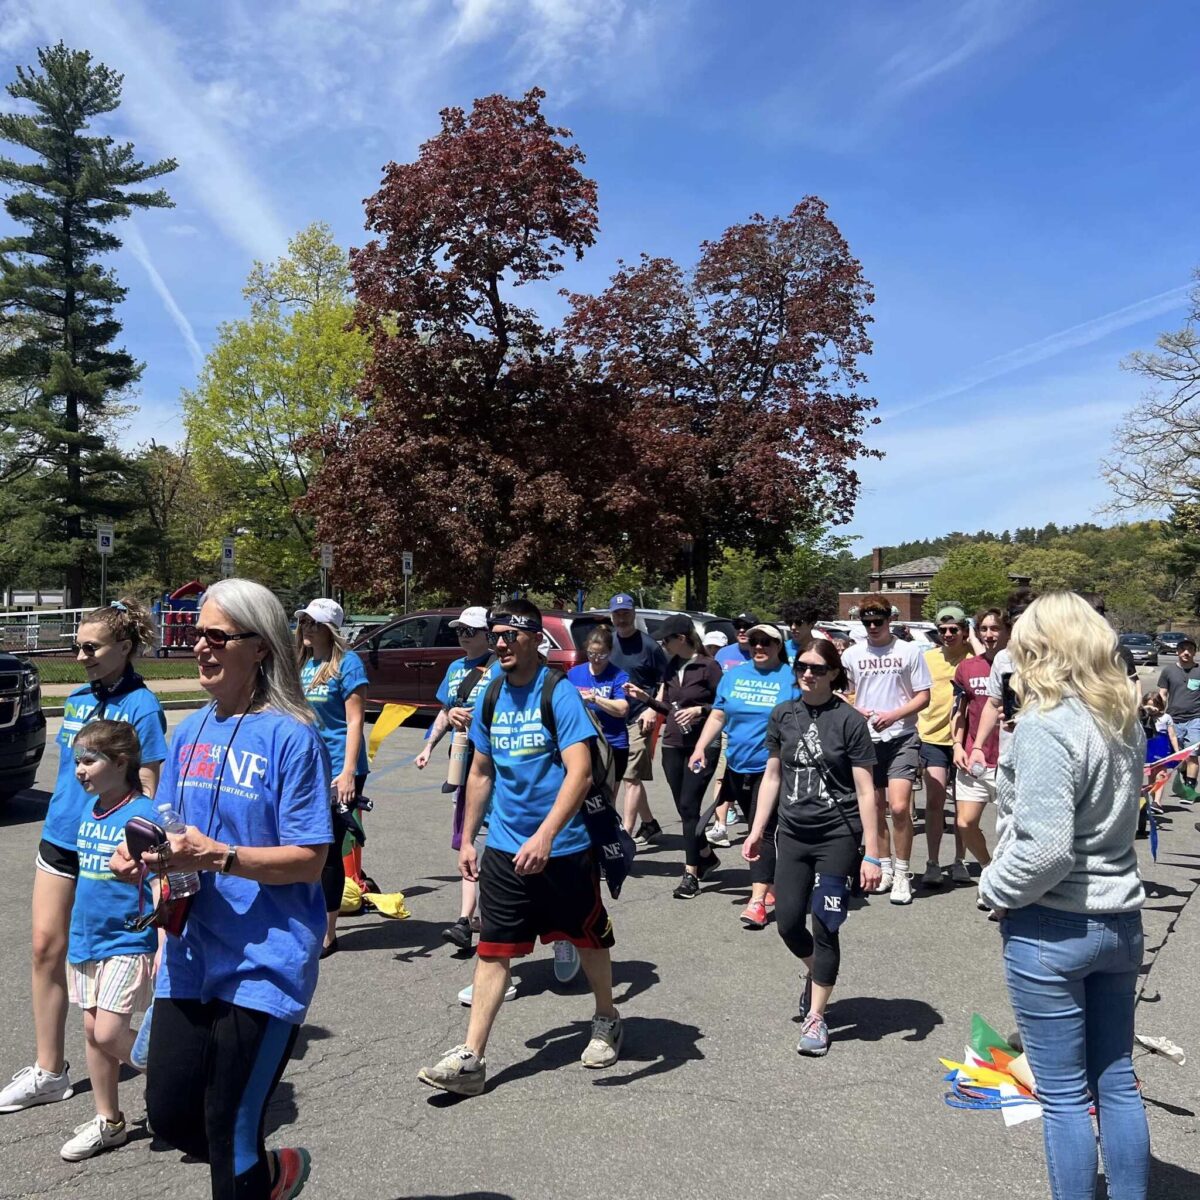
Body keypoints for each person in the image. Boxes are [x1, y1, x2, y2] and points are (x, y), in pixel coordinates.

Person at [112, 577, 332, 1200]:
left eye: (216, 636)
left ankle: (251, 1175)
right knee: (175, 1117)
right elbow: (169, 829)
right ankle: (274, 1176)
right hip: (191, 952)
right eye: (194, 635)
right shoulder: (191, 732)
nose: (200, 648)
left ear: (259, 648)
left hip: (266, 961)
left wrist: (219, 856)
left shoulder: (291, 736)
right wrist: (144, 858)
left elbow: (309, 861)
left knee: (230, 1131)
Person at [979, 592, 1148, 1200]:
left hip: (1055, 925)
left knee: (1065, 1097)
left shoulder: (1049, 726)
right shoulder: (1122, 718)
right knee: (1117, 1081)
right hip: (1121, 918)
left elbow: (1045, 850)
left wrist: (991, 887)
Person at [418, 600, 621, 1096]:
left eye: (510, 634)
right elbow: (482, 772)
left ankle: (606, 1017)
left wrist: (548, 834)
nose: (501, 642)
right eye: (496, 635)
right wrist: (468, 838)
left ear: (535, 639)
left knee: (587, 936)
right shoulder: (490, 697)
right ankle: (472, 1058)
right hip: (506, 848)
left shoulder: (559, 693)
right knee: (493, 950)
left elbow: (581, 771)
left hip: (565, 848)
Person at [0, 598, 167, 1115]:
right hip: (60, 838)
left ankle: (153, 1052)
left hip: (108, 852)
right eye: (78, 647)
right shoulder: (75, 699)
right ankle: (50, 1070)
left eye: (91, 648)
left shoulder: (142, 705)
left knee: (108, 956)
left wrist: (137, 845)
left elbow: (148, 782)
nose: (81, 657)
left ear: (125, 647)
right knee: (46, 949)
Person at [744, 639, 881, 1056]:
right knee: (786, 923)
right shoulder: (783, 714)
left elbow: (865, 791)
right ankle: (816, 972)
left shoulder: (850, 721)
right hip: (793, 834)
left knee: (825, 924)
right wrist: (756, 830)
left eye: (818, 669)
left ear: (834, 674)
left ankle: (817, 1017)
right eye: (802, 666)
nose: (807, 674)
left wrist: (873, 853)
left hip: (837, 836)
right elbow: (772, 776)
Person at [57, 721, 161, 1161]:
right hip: (86, 939)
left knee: (109, 1030)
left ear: (120, 763)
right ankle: (110, 1121)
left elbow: (164, 882)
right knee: (91, 1030)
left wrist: (164, 940)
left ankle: (178, 1072)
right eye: (77, 760)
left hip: (127, 937)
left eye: (88, 761)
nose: (79, 770)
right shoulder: (90, 809)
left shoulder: (145, 816)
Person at [690, 624, 796, 928]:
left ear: (779, 646)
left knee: (761, 831)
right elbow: (719, 714)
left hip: (772, 767)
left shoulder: (789, 679)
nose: (759, 647)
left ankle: (757, 901)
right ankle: (774, 883)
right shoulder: (735, 675)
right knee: (703, 828)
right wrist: (700, 748)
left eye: (767, 642)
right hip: (736, 765)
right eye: (754, 641)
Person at [415, 606, 500, 952]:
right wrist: (429, 746)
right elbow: (444, 711)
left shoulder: (499, 668)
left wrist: (476, 715)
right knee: (469, 839)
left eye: (470, 631)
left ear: (487, 635)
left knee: (496, 841)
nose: (463, 636)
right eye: (460, 631)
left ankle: (498, 914)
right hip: (462, 763)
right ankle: (465, 919)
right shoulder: (453, 668)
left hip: (496, 765)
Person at [840, 595, 931, 906]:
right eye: (867, 622)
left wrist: (894, 715)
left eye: (879, 621)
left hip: (902, 736)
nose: (873, 626)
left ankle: (904, 873)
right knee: (875, 808)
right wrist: (859, 711)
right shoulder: (852, 654)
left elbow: (923, 696)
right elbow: (843, 693)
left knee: (900, 806)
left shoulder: (908, 651)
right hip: (866, 739)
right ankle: (885, 868)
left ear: (890, 620)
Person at [626, 615, 724, 898]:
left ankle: (691, 873)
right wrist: (646, 700)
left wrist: (699, 711)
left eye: (666, 640)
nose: (663, 644)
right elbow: (668, 707)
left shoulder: (709, 666)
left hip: (702, 745)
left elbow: (723, 704)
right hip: (673, 743)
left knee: (689, 806)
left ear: (681, 638)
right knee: (684, 809)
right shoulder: (671, 666)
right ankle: (705, 853)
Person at [295, 598, 369, 959]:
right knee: (303, 844)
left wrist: (348, 773)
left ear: (330, 628)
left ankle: (328, 932)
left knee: (328, 851)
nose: (307, 628)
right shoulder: (304, 663)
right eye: (304, 622)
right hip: (307, 767)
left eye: (314, 623)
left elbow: (355, 721)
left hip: (339, 768)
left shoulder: (348, 663)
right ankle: (305, 920)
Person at [915, 605, 973, 888]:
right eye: (942, 630)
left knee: (963, 804)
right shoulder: (926, 658)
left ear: (964, 631)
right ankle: (933, 862)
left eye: (954, 630)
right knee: (935, 801)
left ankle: (960, 860)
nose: (948, 635)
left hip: (966, 740)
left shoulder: (975, 658)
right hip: (932, 737)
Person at [607, 594, 669, 845]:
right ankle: (650, 824)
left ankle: (625, 835)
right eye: (617, 613)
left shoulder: (650, 646)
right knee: (616, 776)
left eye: (626, 613)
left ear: (634, 614)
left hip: (639, 717)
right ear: (612, 615)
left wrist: (653, 709)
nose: (621, 618)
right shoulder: (608, 643)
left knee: (630, 777)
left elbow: (665, 681)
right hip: (611, 719)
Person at [951, 608, 1006, 891]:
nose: (988, 634)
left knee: (1011, 829)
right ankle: (989, 868)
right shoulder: (967, 668)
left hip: (1009, 761)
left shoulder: (1021, 666)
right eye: (983, 629)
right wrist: (958, 745)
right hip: (974, 758)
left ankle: (1006, 883)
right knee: (964, 822)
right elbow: (958, 711)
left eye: (994, 628)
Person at [567, 625, 632, 781]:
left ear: (610, 652)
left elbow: (622, 709)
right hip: (584, 743)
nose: (596, 659)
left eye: (601, 655)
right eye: (591, 653)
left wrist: (595, 699)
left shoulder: (618, 675)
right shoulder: (574, 673)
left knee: (609, 797)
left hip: (613, 743)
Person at [1157, 636, 1200, 798]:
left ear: (1195, 652)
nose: (1186, 652)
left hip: (1196, 718)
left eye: (1190, 649)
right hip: (1174, 719)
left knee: (1193, 754)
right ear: (1177, 652)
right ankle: (1183, 771)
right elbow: (1163, 693)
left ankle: (1190, 789)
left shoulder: (1199, 671)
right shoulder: (1168, 671)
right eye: (1183, 649)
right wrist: (1159, 713)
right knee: (1178, 756)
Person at [781, 594, 834, 660]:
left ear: (811, 624)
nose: (793, 627)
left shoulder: (824, 649)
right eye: (790, 622)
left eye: (798, 623)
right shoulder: (781, 650)